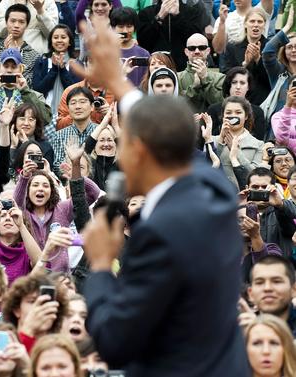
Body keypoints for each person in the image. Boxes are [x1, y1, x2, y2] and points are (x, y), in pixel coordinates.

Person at [79, 17, 249, 375]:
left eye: (123, 143)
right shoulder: (212, 190)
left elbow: (115, 341)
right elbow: (170, 138)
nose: (119, 157)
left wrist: (99, 266)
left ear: (140, 150)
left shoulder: (159, 235)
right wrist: (120, 85)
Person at [0, 48, 51, 124]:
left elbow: (45, 119)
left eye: (14, 67)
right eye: (6, 66)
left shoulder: (34, 95)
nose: (9, 70)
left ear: (21, 69)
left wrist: (25, 91)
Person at [220, 8, 271, 105]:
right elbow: (226, 77)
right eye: (252, 21)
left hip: (263, 100)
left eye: (260, 22)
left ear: (264, 25)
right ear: (245, 24)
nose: (256, 24)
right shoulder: (232, 47)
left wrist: (258, 60)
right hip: (237, 101)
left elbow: (273, 78)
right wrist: (245, 64)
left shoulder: (270, 48)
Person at [137, 0, 206, 71]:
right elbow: (143, 42)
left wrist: (178, 16)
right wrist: (160, 17)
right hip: (156, 67)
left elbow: (195, 39)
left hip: (184, 68)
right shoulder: (145, 13)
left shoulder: (193, 12)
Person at [208, 67, 268, 141]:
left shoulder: (257, 112)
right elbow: (209, 138)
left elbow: (259, 140)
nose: (238, 87)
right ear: (229, 84)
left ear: (248, 87)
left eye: (242, 83)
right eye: (234, 82)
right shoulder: (214, 109)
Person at [32, 24, 81, 113]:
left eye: (63, 37)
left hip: (70, 113)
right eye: (55, 37)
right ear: (51, 41)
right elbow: (38, 90)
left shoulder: (77, 64)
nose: (59, 40)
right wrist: (54, 69)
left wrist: (62, 70)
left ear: (70, 41)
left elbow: (76, 92)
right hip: (45, 111)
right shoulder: (42, 62)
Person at [244, 255, 296, 336]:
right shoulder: (239, 333)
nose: (267, 288)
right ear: (251, 294)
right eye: (259, 282)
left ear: (293, 289)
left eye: (276, 281)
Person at [261, 6, 296, 119]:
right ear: (284, 51)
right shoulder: (278, 72)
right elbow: (267, 53)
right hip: (280, 127)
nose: (294, 50)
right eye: (289, 47)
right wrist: (287, 26)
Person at [0, 4, 41, 86]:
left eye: (21, 22)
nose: (16, 25)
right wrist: (6, 53)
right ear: (6, 22)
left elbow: (29, 85)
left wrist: (17, 57)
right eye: (13, 21)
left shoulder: (34, 55)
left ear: (27, 25)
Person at [177, 33, 225, 113]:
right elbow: (176, 108)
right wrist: (194, 88)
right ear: (186, 52)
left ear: (208, 51)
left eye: (201, 48)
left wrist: (205, 81)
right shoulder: (177, 78)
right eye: (192, 48)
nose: (197, 51)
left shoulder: (220, 78)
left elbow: (221, 107)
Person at [111, 7, 150, 88]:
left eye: (129, 26)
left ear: (134, 28)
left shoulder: (143, 54)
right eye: (121, 26)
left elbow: (146, 81)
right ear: (113, 27)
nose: (125, 31)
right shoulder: (106, 52)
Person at [271, 77, 296, 153]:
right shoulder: (278, 116)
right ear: (287, 92)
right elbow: (282, 141)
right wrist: (288, 106)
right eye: (294, 87)